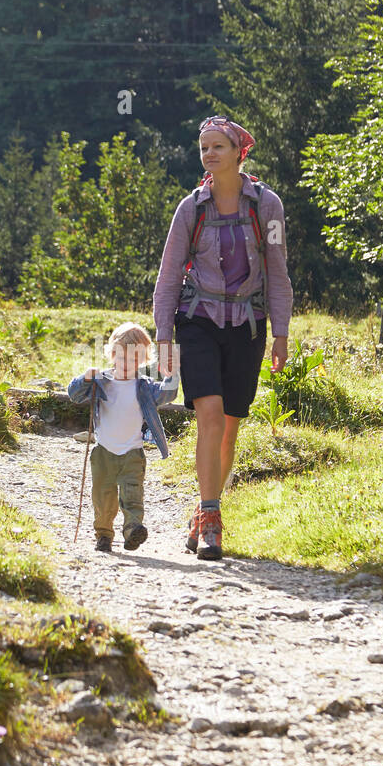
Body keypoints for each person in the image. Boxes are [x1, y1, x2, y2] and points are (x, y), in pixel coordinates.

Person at [153, 116, 293, 560]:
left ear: (238, 153)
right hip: (197, 319)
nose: (209, 154)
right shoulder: (190, 208)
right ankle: (212, 518)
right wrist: (162, 335)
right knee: (209, 416)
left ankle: (201, 507)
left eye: (217, 147)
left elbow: (276, 269)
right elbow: (170, 272)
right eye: (203, 148)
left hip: (247, 325)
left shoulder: (266, 207)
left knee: (231, 425)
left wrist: (281, 333)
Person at [66, 322, 180, 552]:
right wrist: (85, 378)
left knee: (133, 495)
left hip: (132, 452)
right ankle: (104, 534)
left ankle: (132, 529)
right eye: (122, 358)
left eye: (134, 360)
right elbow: (74, 395)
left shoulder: (144, 387)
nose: (127, 364)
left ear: (143, 361)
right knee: (103, 496)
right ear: (112, 354)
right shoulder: (102, 382)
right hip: (104, 452)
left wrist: (172, 373)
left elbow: (169, 394)